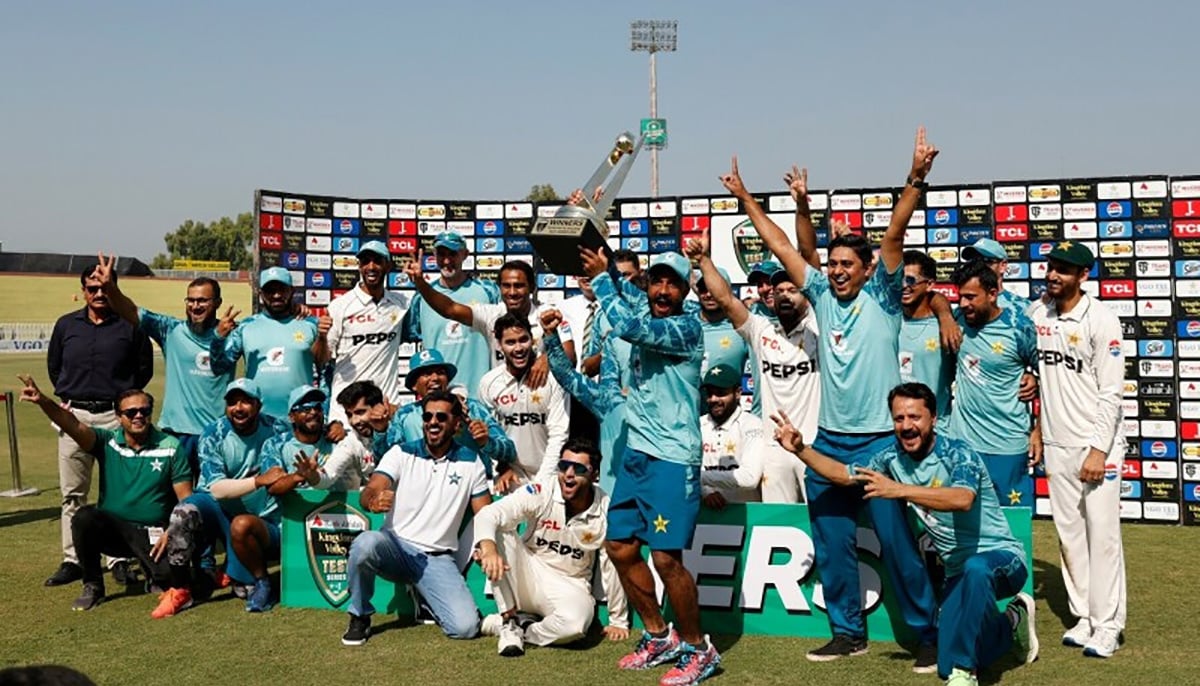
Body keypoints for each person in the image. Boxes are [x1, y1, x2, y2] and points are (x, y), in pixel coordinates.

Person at [720, 131, 939, 666]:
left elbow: (895, 232)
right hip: (829, 442)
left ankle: (928, 634)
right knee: (832, 544)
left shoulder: (884, 299)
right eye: (834, 264)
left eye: (848, 265)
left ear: (868, 271)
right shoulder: (820, 294)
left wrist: (915, 177)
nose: (838, 271)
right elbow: (780, 247)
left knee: (899, 544)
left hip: (880, 445)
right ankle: (848, 632)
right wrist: (747, 198)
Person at [771, 382, 1039, 685]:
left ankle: (965, 674)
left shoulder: (957, 453)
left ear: (934, 418)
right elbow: (844, 476)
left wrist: (898, 490)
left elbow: (963, 499)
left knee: (976, 572)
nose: (907, 426)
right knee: (943, 664)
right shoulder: (889, 457)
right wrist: (801, 450)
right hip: (958, 574)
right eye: (899, 419)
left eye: (915, 417)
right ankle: (1011, 622)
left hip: (1002, 561)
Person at [580, 247, 721, 685]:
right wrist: (590, 228)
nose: (662, 290)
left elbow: (627, 325)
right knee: (620, 547)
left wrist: (603, 279)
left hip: (673, 457)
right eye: (656, 282)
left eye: (672, 283)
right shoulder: (647, 305)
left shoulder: (685, 327)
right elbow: (626, 296)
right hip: (637, 453)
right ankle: (659, 637)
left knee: (665, 559)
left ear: (684, 290)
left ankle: (700, 649)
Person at [18, 377, 194, 618]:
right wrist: (43, 401)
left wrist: (172, 531)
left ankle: (151, 569)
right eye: (131, 412)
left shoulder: (171, 446)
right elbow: (71, 424)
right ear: (118, 416)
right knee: (84, 517)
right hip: (114, 532)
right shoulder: (107, 442)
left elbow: (187, 500)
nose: (138, 416)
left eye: (144, 410)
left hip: (153, 533)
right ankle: (93, 585)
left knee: (171, 580)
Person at [1029, 241, 1127, 658]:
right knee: (1070, 537)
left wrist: (1097, 450)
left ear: (1083, 276)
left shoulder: (1102, 319)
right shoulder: (1038, 314)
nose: (1053, 275)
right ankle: (1085, 615)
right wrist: (1037, 427)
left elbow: (1111, 394)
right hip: (1056, 443)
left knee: (1101, 536)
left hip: (1095, 446)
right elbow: (1035, 375)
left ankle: (1108, 625)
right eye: (1052, 267)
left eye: (1064, 270)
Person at [342, 390, 492, 645]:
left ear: (456, 424)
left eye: (441, 417)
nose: (433, 422)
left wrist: (488, 546)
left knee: (465, 628)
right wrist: (372, 501)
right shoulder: (401, 452)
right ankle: (360, 615)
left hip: (437, 559)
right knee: (365, 543)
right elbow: (371, 489)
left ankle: (426, 596)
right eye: (428, 416)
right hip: (395, 547)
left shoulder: (471, 461)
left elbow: (486, 513)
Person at [45, 260, 153, 587]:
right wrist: (69, 398)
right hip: (74, 416)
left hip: (114, 417)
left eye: (104, 288)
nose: (98, 293)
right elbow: (55, 368)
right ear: (83, 292)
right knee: (72, 494)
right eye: (92, 288)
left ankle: (118, 558)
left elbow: (143, 370)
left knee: (116, 493)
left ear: (113, 289)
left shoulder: (130, 327)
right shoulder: (66, 325)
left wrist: (122, 406)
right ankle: (73, 559)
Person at [688, 233, 814, 504]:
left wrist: (802, 207)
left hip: (813, 443)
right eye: (778, 291)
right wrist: (703, 261)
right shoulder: (761, 330)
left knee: (822, 524)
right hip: (774, 447)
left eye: (791, 290)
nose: (783, 296)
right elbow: (726, 301)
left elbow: (809, 258)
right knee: (779, 524)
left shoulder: (818, 328)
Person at [474, 438, 629, 656]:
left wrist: (618, 620)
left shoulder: (604, 510)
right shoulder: (541, 490)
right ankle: (509, 622)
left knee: (576, 627)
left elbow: (611, 566)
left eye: (579, 469)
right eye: (564, 466)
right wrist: (489, 549)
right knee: (499, 529)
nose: (569, 474)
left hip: (570, 583)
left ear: (594, 475)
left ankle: (520, 628)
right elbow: (488, 514)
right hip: (526, 572)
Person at [93, 253, 230, 477]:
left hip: (216, 433)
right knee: (172, 501)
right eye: (191, 300)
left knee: (212, 499)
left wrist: (298, 312)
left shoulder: (231, 334)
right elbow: (130, 311)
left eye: (202, 300)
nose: (195, 306)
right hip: (175, 434)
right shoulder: (170, 329)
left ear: (217, 303)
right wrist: (110, 289)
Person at [178, 378, 288, 612]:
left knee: (245, 584)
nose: (238, 408)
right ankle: (184, 581)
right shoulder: (212, 433)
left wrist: (333, 428)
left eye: (246, 401)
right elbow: (216, 489)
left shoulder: (278, 428)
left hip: (260, 517)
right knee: (186, 510)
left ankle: (237, 571)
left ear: (259, 405)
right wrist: (259, 480)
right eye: (232, 402)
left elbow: (309, 431)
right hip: (221, 508)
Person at [949, 261, 1039, 507]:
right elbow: (932, 301)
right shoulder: (954, 320)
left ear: (992, 293)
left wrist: (1038, 430)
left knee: (1013, 526)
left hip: (1007, 445)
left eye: (970, 297)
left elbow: (1050, 379)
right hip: (963, 443)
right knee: (965, 526)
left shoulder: (1019, 327)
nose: (964, 303)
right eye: (960, 297)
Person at [406, 255, 573, 385]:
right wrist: (421, 283)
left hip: (540, 400)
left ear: (532, 287)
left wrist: (546, 359)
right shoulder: (491, 314)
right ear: (499, 288)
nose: (512, 292)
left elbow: (570, 356)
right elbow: (450, 309)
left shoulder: (547, 314)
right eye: (506, 286)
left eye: (519, 286)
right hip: (502, 401)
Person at [209, 267, 327, 420]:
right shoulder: (246, 326)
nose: (276, 295)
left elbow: (325, 370)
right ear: (261, 294)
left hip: (300, 419)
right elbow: (219, 368)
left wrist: (324, 410)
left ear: (292, 291)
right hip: (257, 421)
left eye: (282, 289)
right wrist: (218, 338)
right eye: (270, 290)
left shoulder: (311, 324)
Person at [377, 349, 515, 473]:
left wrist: (486, 442)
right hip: (422, 493)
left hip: (471, 492)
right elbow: (385, 460)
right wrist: (380, 432)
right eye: (426, 374)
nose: (435, 378)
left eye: (440, 373)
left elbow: (509, 451)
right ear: (414, 385)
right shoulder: (404, 415)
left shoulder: (473, 408)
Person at [401, 231, 501, 395]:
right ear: (434, 256)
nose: (447, 261)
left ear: (465, 254)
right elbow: (402, 335)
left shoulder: (488, 291)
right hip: (439, 403)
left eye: (453, 254)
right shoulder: (422, 297)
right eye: (441, 254)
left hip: (483, 397)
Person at [321, 241, 410, 426]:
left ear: (388, 265)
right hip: (347, 412)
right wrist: (320, 337)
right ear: (359, 266)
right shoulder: (340, 306)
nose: (371, 267)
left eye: (377, 261)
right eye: (365, 261)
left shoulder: (401, 304)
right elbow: (322, 359)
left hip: (385, 408)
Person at [541, 308, 627, 496]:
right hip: (613, 510)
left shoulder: (674, 399)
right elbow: (566, 375)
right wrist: (550, 336)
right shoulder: (610, 400)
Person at [478, 314, 569, 491]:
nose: (518, 348)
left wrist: (540, 483)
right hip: (510, 479)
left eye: (523, 340)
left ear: (532, 340)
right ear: (499, 345)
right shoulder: (488, 383)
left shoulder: (553, 379)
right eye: (510, 342)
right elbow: (490, 435)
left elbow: (559, 435)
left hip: (550, 479)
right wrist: (502, 467)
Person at [899, 250, 954, 434]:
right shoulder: (887, 317)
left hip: (937, 431)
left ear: (929, 284)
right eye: (900, 278)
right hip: (896, 431)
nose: (903, 286)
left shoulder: (947, 326)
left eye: (910, 280)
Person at [698, 364, 765, 505]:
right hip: (706, 516)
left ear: (738, 393)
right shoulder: (697, 425)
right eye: (709, 393)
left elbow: (749, 478)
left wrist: (699, 477)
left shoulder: (752, 424)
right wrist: (705, 491)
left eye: (721, 393)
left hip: (745, 515)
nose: (714, 399)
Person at [258, 386, 344, 494]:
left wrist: (342, 428)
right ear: (292, 417)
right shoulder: (275, 445)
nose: (313, 412)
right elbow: (272, 488)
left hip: (333, 506)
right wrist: (299, 475)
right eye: (306, 409)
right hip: (294, 508)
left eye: (317, 407)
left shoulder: (335, 437)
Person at [316, 380, 391, 490]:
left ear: (378, 407)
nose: (355, 421)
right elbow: (327, 477)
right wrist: (313, 476)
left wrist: (381, 431)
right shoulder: (351, 441)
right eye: (349, 415)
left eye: (360, 412)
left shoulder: (401, 430)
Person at [695, 266, 749, 378]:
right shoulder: (684, 325)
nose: (709, 295)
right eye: (704, 289)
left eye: (715, 289)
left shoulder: (742, 327)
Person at [962, 238, 1031, 314]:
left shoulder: (1023, 308)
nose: (977, 266)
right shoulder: (960, 310)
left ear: (1002, 266)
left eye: (985, 261)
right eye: (973, 261)